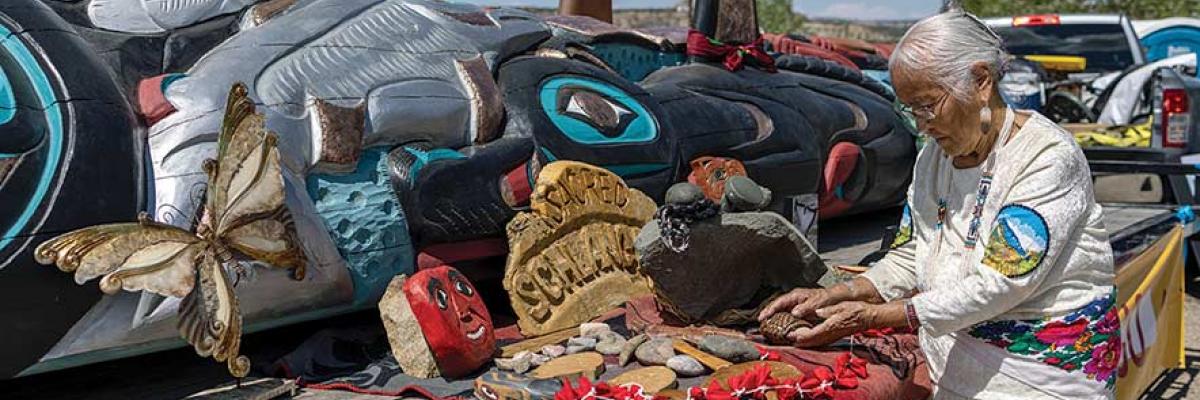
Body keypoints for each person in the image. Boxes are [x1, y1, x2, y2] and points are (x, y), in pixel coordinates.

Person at [759, 11, 1119, 399]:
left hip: (1042, 375)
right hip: (959, 365)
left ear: (981, 81)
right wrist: (838, 294)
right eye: (910, 110)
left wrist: (876, 317)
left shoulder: (1046, 156)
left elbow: (1001, 282)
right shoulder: (933, 158)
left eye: (928, 106)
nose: (920, 125)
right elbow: (912, 251)